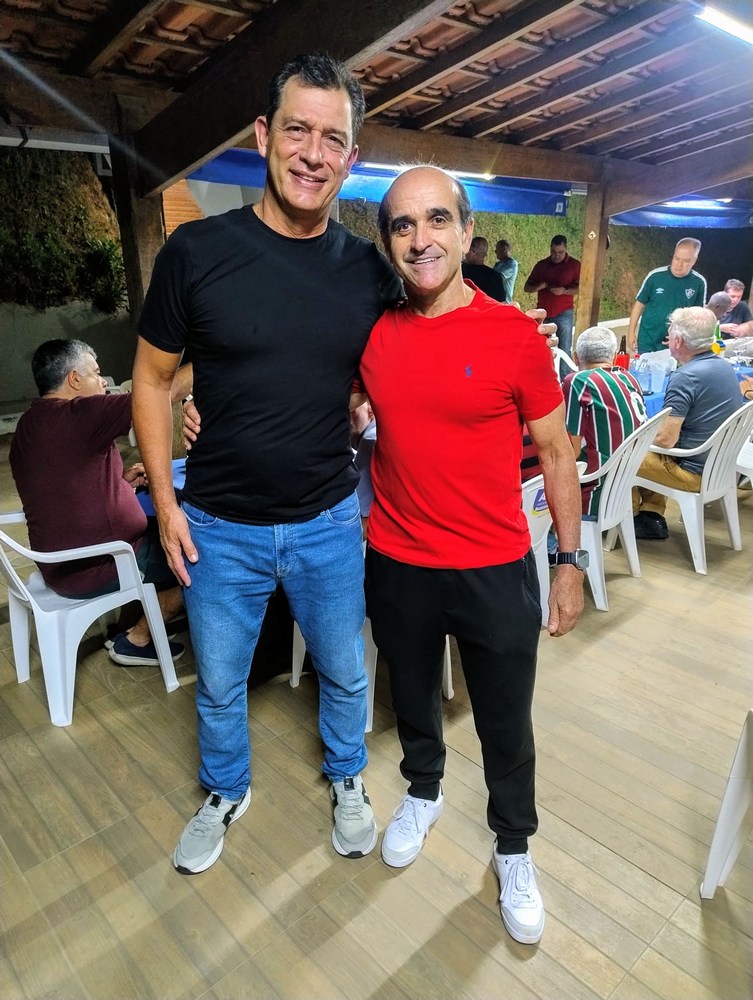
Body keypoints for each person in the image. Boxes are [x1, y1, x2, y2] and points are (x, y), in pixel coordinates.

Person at [132, 53, 406, 876]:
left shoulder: (368, 269)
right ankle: (224, 790)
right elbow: (151, 380)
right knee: (219, 683)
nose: (313, 154)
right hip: (217, 525)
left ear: (351, 157)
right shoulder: (196, 251)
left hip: (327, 520)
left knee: (343, 671)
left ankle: (347, 775)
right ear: (262, 135)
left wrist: (359, 396)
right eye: (297, 130)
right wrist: (167, 508)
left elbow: (387, 362)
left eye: (333, 139)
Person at [360, 165, 585, 946]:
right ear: (387, 241)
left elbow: (556, 454)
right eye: (402, 224)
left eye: (436, 220)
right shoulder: (374, 334)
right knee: (412, 697)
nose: (420, 239)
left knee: (504, 720)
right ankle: (422, 791)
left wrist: (568, 562)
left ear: (464, 232)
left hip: (492, 565)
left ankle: (512, 845)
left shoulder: (513, 335)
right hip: (397, 560)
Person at [9, 339, 189, 666]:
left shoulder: (29, 424)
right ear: (74, 379)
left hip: (60, 564)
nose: (104, 382)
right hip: (97, 567)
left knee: (154, 530)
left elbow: (62, 486)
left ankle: (125, 625)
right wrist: (217, 356)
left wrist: (120, 483)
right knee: (206, 560)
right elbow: (158, 396)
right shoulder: (80, 414)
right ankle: (137, 638)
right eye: (96, 373)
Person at [632, 307, 743, 540]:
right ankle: (651, 514)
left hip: (692, 472)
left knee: (620, 456)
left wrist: (636, 435)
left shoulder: (685, 377)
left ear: (679, 341)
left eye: (670, 334)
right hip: (719, 466)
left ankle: (623, 519)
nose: (668, 338)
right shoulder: (724, 367)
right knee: (648, 449)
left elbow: (666, 440)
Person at [562, 326, 646, 517]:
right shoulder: (629, 378)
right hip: (625, 477)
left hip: (596, 485)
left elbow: (571, 451)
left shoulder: (578, 381)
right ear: (615, 356)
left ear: (576, 358)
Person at [627, 238, 706, 355]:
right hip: (647, 340)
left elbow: (697, 317)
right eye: (677, 258)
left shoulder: (698, 283)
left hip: (676, 345)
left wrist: (682, 337)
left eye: (686, 261)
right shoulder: (655, 276)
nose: (679, 264)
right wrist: (631, 333)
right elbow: (639, 304)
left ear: (694, 261)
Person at [524, 235, 581, 357]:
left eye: (560, 252)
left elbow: (582, 288)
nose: (557, 255)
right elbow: (527, 287)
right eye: (554, 252)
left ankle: (564, 370)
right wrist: (538, 287)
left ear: (566, 249)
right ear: (550, 249)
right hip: (543, 312)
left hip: (564, 312)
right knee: (540, 346)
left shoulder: (575, 265)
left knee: (565, 348)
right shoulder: (541, 265)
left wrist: (565, 291)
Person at [461, 236, 506, 301]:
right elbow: (501, 303)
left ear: (472, 251)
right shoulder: (494, 276)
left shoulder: (460, 270)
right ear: (485, 255)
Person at [493, 238, 518, 303]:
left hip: (503, 301)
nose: (495, 251)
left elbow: (499, 277)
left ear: (504, 249)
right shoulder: (498, 264)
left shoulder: (512, 263)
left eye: (497, 249)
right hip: (494, 298)